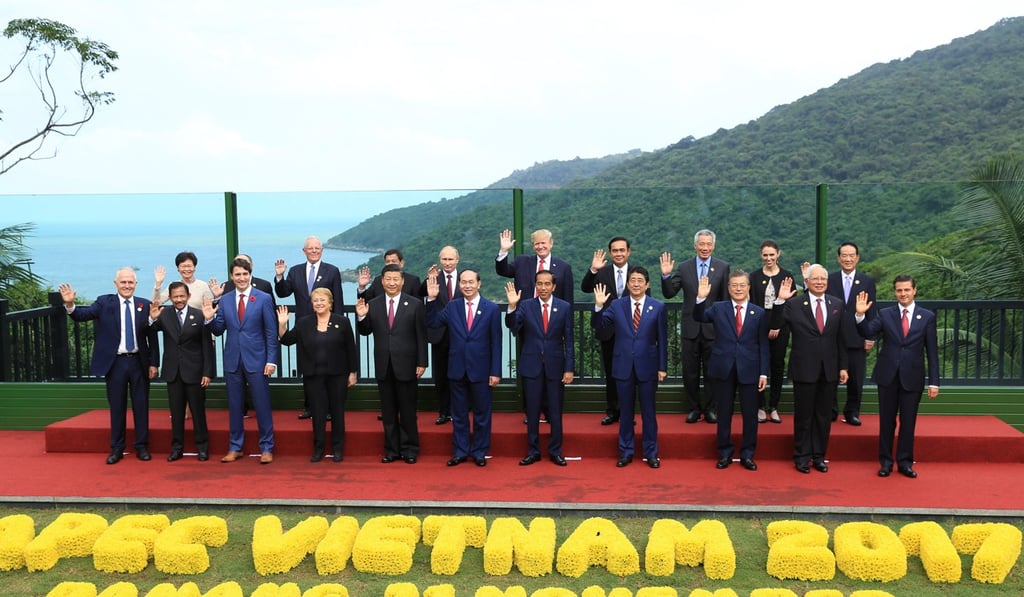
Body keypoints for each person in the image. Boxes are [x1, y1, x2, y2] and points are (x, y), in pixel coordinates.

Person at [59, 268, 159, 464]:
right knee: (117, 407)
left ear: (136, 284)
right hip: (116, 363)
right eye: (123, 282)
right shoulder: (104, 302)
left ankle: (141, 446)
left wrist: (154, 363)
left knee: (141, 405)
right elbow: (82, 315)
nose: (127, 286)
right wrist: (70, 304)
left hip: (139, 362)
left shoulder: (144, 305)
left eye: (130, 282)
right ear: (115, 283)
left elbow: (151, 337)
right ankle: (117, 448)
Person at [855, 275, 940, 478]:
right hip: (887, 376)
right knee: (886, 421)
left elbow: (932, 351)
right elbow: (867, 332)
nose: (903, 294)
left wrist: (934, 382)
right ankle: (885, 462)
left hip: (913, 377)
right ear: (895, 292)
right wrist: (859, 315)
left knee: (908, 422)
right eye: (899, 290)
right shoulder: (885, 314)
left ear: (914, 291)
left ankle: (905, 462)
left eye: (907, 290)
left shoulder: (927, 316)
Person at [773, 266, 849, 474]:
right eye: (814, 279)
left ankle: (819, 456)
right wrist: (779, 301)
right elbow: (774, 324)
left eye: (823, 278)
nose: (819, 282)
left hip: (830, 369)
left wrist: (843, 366)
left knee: (824, 416)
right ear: (806, 281)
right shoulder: (795, 304)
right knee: (804, 415)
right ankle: (801, 456)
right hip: (804, 368)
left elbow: (841, 338)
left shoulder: (837, 304)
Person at [204, 257, 279, 464]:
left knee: (262, 405)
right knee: (235, 406)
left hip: (258, 360)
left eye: (245, 274)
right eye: (237, 274)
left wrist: (271, 360)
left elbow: (271, 333)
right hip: (232, 360)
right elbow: (219, 330)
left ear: (250, 274)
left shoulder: (263, 298)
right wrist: (209, 319)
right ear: (231, 276)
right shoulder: (225, 299)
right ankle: (235, 447)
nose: (241, 278)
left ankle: (266, 447)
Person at [592, 266, 668, 469]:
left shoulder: (657, 306)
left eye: (640, 281)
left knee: (649, 412)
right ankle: (626, 452)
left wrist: (662, 367)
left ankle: (651, 453)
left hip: (648, 366)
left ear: (647, 284)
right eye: (632, 280)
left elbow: (662, 339)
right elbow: (599, 326)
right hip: (623, 365)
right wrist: (598, 307)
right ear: (627, 284)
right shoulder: (617, 306)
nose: (635, 284)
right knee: (625, 412)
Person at [425, 269, 502, 467]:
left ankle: (479, 451)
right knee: (458, 414)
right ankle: (459, 451)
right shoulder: (452, 307)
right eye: (463, 282)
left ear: (479, 283)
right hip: (457, 368)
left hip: (482, 370)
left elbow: (496, 342)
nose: (467, 286)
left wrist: (495, 371)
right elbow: (433, 323)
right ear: (459, 285)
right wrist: (432, 300)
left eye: (471, 282)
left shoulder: (491, 308)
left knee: (482, 414)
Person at [693, 270, 769, 471]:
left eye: (742, 285)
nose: (738, 289)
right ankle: (725, 453)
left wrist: (763, 373)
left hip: (750, 369)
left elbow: (763, 344)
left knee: (750, 414)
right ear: (728, 288)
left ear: (748, 287)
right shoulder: (718, 308)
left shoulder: (758, 312)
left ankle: (747, 454)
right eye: (734, 285)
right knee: (724, 413)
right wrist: (701, 297)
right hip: (723, 368)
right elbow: (699, 316)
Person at [355, 264, 428, 464]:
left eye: (396, 279)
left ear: (402, 281)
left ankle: (410, 449)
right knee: (388, 412)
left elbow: (421, 336)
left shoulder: (414, 304)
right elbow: (365, 330)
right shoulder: (374, 303)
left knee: (407, 411)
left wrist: (422, 362)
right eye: (388, 279)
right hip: (383, 364)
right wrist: (361, 316)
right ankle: (392, 450)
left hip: (408, 364)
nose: (392, 283)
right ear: (382, 281)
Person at [277, 288, 358, 463]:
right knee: (318, 413)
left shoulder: (342, 322)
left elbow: (351, 348)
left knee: (337, 412)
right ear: (312, 304)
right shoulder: (304, 322)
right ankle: (318, 449)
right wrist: (282, 324)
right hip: (313, 376)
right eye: (315, 301)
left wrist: (353, 372)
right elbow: (287, 340)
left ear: (330, 303)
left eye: (322, 300)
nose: (319, 303)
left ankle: (337, 449)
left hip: (338, 374)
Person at [504, 271, 574, 466]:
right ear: (535, 285)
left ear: (554, 286)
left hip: (556, 366)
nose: (543, 288)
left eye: (547, 284)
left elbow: (569, 339)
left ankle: (555, 451)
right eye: (540, 284)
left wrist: (569, 369)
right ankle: (533, 451)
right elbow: (514, 327)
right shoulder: (526, 305)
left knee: (555, 411)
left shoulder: (564, 307)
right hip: (531, 365)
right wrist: (511, 307)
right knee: (532, 412)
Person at [660, 229, 730, 424]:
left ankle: (710, 409)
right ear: (695, 245)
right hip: (690, 328)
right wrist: (666, 276)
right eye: (702, 244)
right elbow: (669, 293)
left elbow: (725, 300)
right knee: (690, 372)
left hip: (713, 330)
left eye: (708, 244)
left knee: (712, 371)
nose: (705, 248)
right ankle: (693, 408)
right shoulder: (684, 267)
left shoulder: (723, 267)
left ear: (713, 246)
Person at [274, 237, 344, 419]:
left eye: (317, 248)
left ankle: (328, 409)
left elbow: (338, 300)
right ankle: (310, 407)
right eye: (310, 248)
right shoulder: (295, 271)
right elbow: (283, 293)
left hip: (326, 326)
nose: (313, 251)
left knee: (327, 367)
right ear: (303, 251)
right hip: (304, 327)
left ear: (322, 250)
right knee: (307, 367)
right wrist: (280, 276)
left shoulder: (332, 271)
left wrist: (336, 326)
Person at [580, 236, 645, 426]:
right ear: (610, 253)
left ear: (628, 252)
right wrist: (593, 269)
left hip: (631, 333)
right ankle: (612, 411)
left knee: (630, 375)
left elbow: (644, 298)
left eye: (622, 250)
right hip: (608, 331)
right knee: (611, 373)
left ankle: (628, 413)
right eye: (615, 251)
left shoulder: (637, 273)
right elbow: (585, 288)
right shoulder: (602, 273)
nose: (618, 254)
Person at [148, 281, 215, 461]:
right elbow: (150, 329)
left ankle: (202, 447)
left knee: (198, 412)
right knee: (176, 414)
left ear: (188, 296)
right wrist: (152, 319)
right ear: (170, 298)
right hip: (173, 372)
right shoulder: (165, 314)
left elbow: (207, 347)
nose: (179, 299)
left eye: (182, 296)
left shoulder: (200, 315)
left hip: (195, 372)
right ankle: (177, 448)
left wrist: (208, 373)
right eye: (175, 297)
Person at [826, 242, 877, 426]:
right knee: (830, 376)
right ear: (838, 258)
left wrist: (870, 336)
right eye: (844, 255)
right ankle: (831, 410)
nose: (848, 259)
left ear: (857, 258)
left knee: (856, 379)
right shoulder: (830, 280)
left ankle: (852, 412)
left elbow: (872, 310)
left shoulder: (867, 281)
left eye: (851, 255)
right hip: (833, 337)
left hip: (857, 336)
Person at [748, 240, 793, 424]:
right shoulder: (754, 276)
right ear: (761, 255)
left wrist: (777, 326)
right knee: (758, 366)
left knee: (777, 365)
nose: (768, 258)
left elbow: (789, 305)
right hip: (758, 327)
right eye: (765, 255)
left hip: (781, 328)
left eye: (772, 255)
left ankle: (773, 406)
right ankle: (760, 406)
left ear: (778, 254)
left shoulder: (786, 276)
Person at [419, 246, 462, 425]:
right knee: (441, 376)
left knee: (460, 375)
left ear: (457, 260)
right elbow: (422, 293)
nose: (447, 263)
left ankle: (459, 410)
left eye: (451, 259)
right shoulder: (434, 278)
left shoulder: (465, 278)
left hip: (461, 335)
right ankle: (444, 411)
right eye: (444, 259)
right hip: (440, 335)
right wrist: (429, 278)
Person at [495, 228, 574, 305]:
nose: (540, 246)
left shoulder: (563, 267)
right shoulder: (522, 262)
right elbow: (503, 271)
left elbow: (568, 299)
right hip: (525, 314)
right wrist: (503, 251)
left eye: (543, 243)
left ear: (551, 243)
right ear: (533, 246)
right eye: (537, 244)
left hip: (553, 315)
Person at [357, 248, 423, 301]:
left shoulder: (413, 280)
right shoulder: (378, 280)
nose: (390, 264)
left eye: (393, 261)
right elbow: (365, 302)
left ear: (401, 263)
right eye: (388, 261)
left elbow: (419, 306)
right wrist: (362, 287)